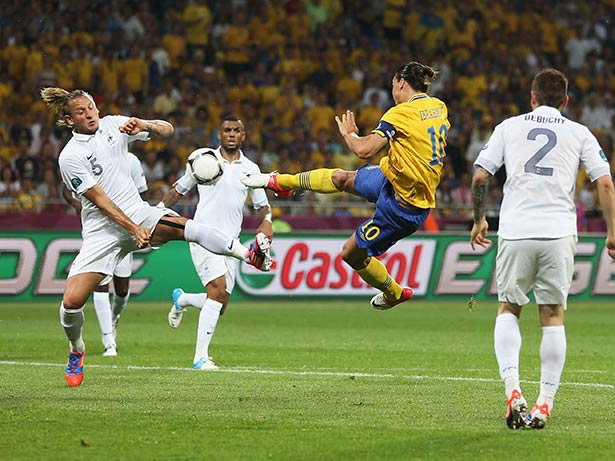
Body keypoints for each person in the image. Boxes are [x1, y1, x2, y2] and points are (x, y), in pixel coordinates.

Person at [41, 87, 273, 387]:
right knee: (71, 302)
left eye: (92, 107)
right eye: (81, 112)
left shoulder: (113, 124)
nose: (90, 114)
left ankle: (247, 254)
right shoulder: (70, 156)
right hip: (102, 232)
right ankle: (77, 350)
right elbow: (100, 200)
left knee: (191, 228)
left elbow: (168, 129)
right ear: (69, 120)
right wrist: (132, 228)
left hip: (138, 212)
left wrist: (145, 124)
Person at [469, 68, 615, 430]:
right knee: (552, 317)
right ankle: (543, 406)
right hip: (558, 233)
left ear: (532, 97)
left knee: (509, 308)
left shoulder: (508, 126)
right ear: (565, 101)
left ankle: (513, 391)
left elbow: (479, 176)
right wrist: (613, 232)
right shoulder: (580, 132)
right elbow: (606, 184)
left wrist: (479, 219)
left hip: (517, 230)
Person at [242, 61, 450, 309]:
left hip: (403, 208)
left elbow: (364, 150)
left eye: (393, 85)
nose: (393, 92)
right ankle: (281, 182)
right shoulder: (438, 106)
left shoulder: (400, 113)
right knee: (343, 178)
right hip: (390, 178)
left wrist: (349, 135)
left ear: (401, 83)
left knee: (350, 253)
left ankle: (394, 292)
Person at [159, 115, 273, 370]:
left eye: (237, 130)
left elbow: (262, 206)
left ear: (243, 136)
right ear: (219, 135)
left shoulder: (251, 169)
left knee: (219, 304)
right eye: (227, 130)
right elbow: (179, 189)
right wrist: (156, 212)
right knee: (218, 290)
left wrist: (267, 221)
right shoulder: (203, 159)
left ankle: (183, 299)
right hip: (203, 236)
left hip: (231, 242)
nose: (231, 134)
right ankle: (200, 357)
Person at [62, 152, 148, 357]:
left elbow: (142, 195)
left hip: (125, 231)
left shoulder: (132, 160)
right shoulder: (86, 156)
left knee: (122, 290)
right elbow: (67, 189)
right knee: (100, 287)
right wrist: (77, 204)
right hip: (100, 234)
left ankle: (114, 318)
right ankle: (109, 341)